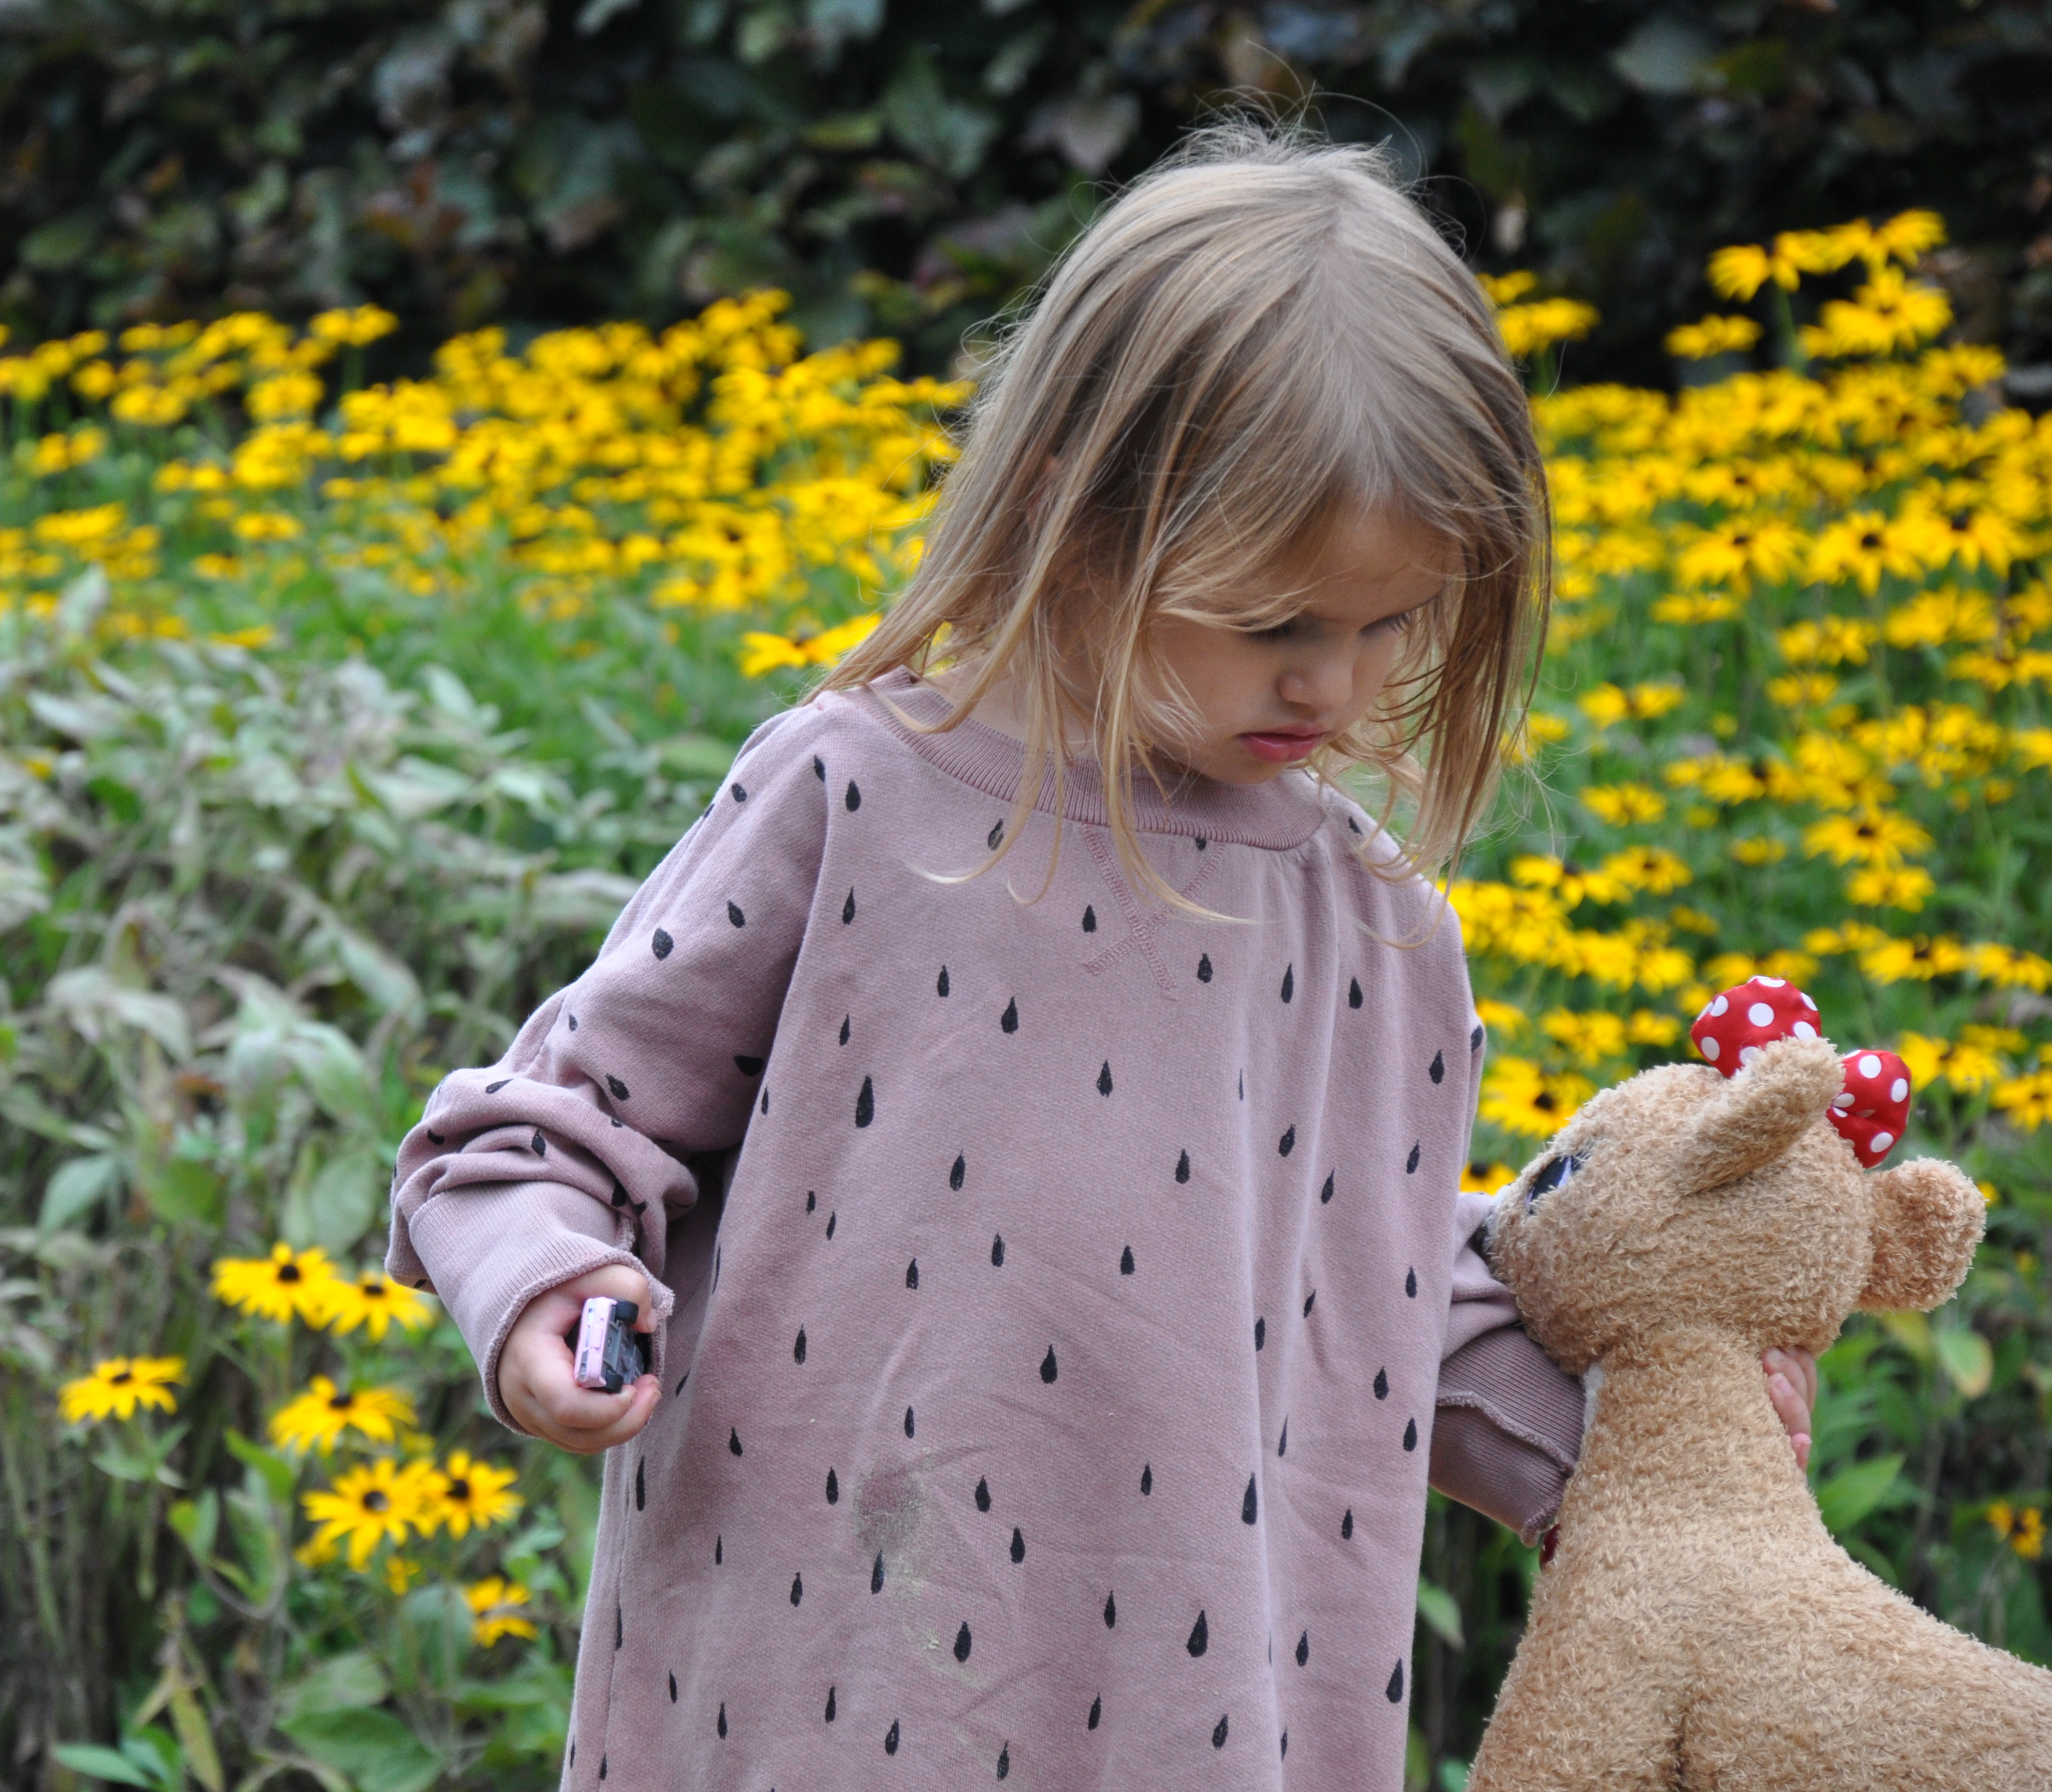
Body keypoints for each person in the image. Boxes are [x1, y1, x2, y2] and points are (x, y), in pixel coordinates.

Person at [386, 121, 1817, 1789]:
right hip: (814, 1697)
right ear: (1079, 520)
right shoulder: (854, 797)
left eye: (1397, 624)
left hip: (1206, 1734)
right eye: (1278, 623)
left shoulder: (1380, 929)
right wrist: (548, 1286)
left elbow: (1380, 1289)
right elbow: (532, 1134)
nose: (1339, 692)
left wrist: (1631, 1443)